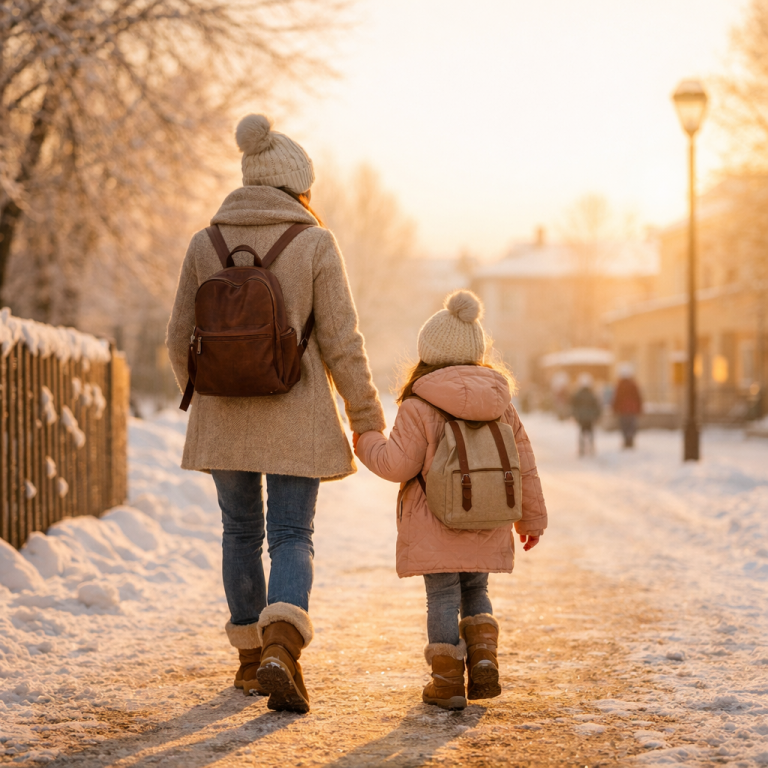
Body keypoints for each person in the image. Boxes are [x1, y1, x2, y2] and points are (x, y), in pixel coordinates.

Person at [166, 114, 385, 714]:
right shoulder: (315, 241)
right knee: (292, 534)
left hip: (222, 416)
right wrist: (365, 417)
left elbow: (176, 338)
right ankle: (280, 648)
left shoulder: (203, 243)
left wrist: (212, 391)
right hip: (297, 414)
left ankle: (245, 659)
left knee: (238, 532)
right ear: (298, 187)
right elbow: (343, 341)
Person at [353, 290, 548, 711]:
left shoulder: (419, 404)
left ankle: (446, 684)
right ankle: (483, 660)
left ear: (428, 352)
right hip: (490, 515)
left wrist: (366, 441)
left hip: (434, 522)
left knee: (441, 597)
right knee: (477, 589)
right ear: (479, 351)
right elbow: (524, 464)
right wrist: (531, 518)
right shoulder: (501, 403)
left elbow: (397, 465)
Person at [570, 373, 601, 457]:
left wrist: (575, 415)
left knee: (581, 433)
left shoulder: (578, 394)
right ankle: (591, 447)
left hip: (581, 417)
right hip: (590, 418)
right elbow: (597, 406)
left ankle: (582, 449)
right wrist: (597, 415)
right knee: (590, 433)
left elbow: (574, 406)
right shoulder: (592, 394)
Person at [612, 363, 643, 448]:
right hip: (632, 409)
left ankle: (626, 440)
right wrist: (640, 408)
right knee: (632, 426)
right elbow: (638, 397)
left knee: (624, 426)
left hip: (623, 410)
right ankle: (630, 440)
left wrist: (614, 408)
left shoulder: (619, 385)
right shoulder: (633, 385)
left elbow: (616, 398)